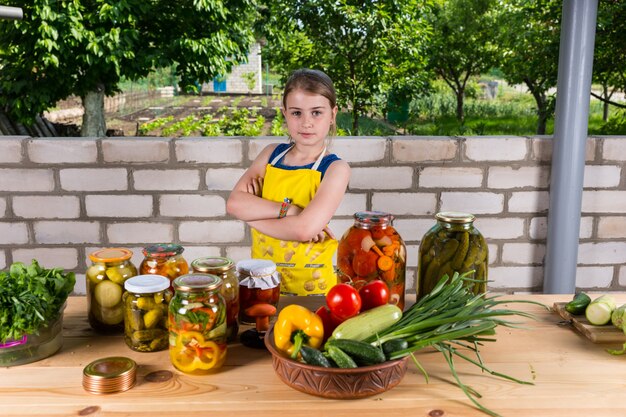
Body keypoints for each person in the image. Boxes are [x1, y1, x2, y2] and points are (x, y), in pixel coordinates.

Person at [226, 68, 351, 296]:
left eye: (316, 113)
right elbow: (234, 204)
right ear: (284, 114)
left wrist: (251, 217)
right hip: (261, 283)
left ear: (332, 115)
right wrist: (290, 210)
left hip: (312, 290)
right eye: (296, 113)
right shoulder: (270, 155)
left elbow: (304, 230)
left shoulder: (335, 169)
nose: (306, 123)